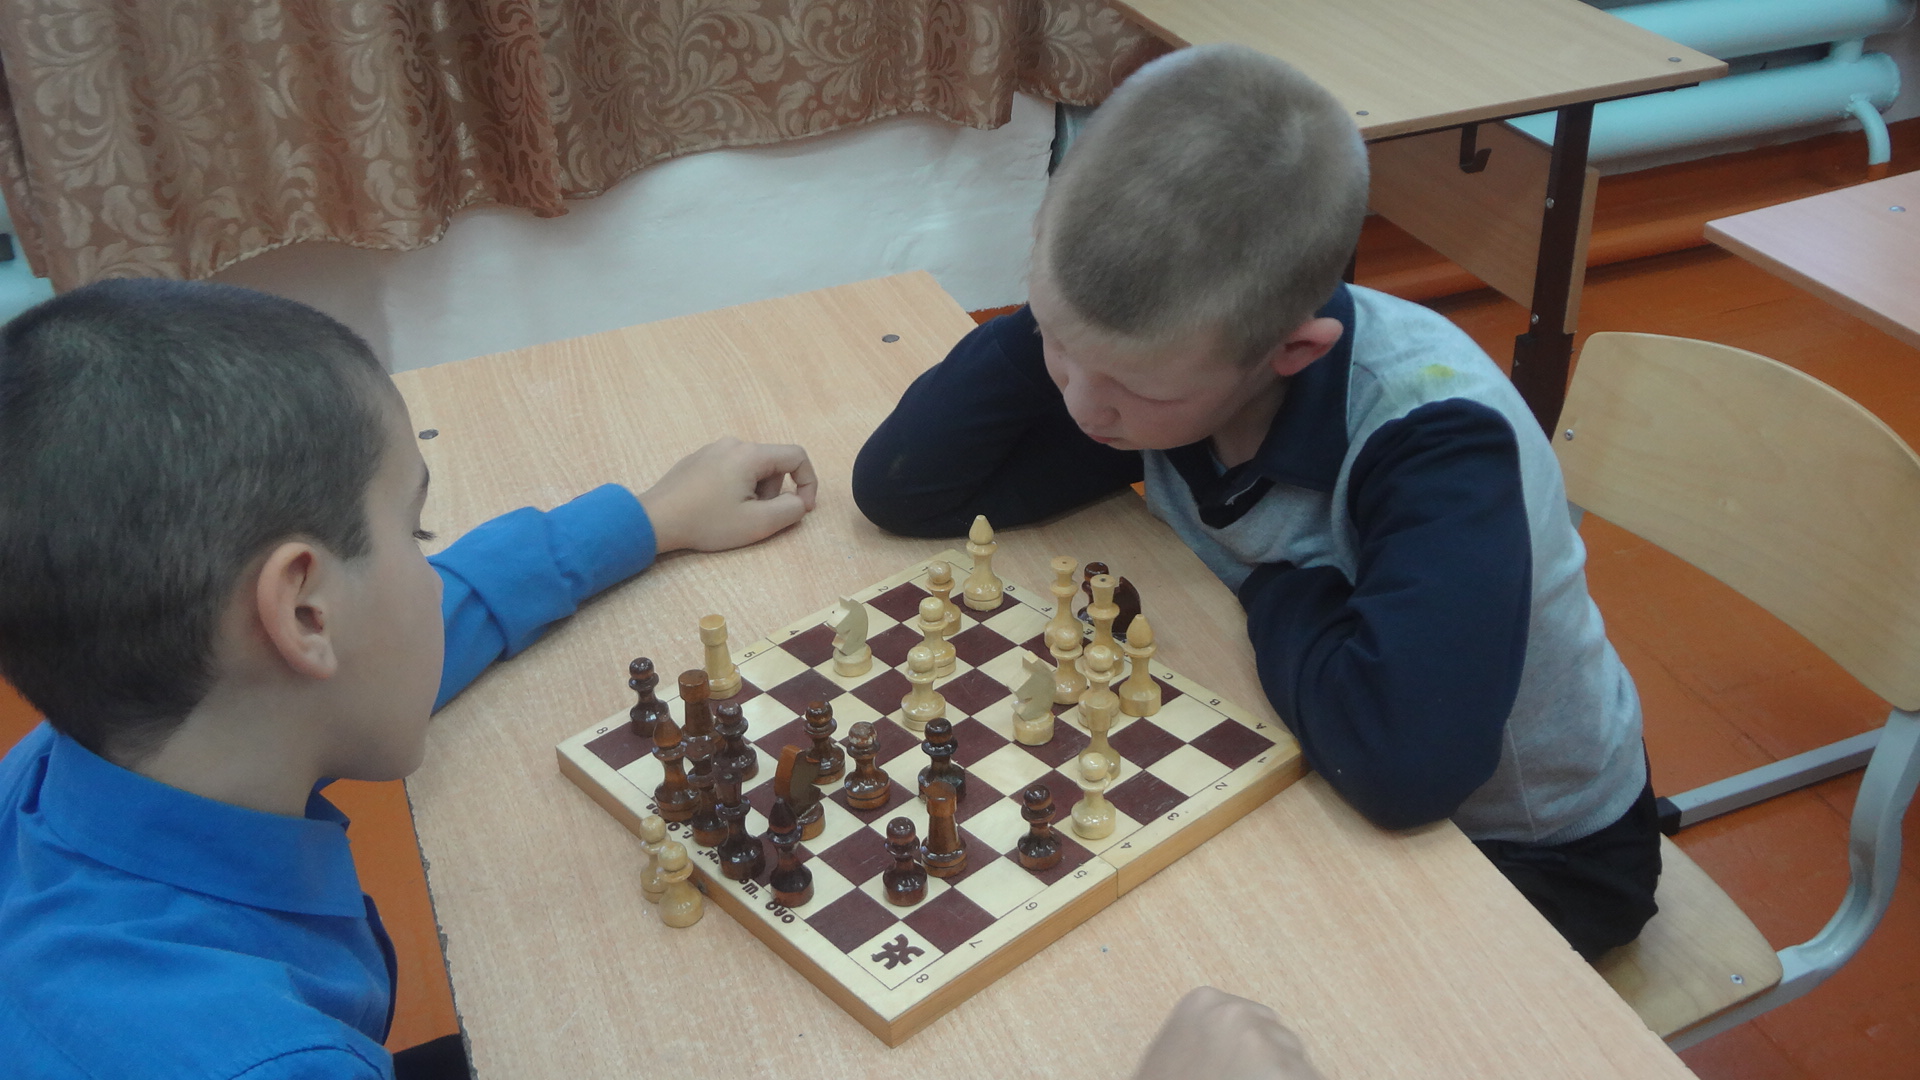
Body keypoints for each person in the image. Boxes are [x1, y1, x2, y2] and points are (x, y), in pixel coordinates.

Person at [851, 44, 1660, 962]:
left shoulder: (1439, 442)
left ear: (1295, 353)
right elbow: (907, 487)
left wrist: (1278, 588)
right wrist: (1063, 317)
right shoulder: (1174, 367)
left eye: (1128, 387)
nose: (1081, 409)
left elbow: (1406, 770)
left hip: (1526, 855)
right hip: (1310, 741)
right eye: (1056, 348)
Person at [0, 278, 816, 1079]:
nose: (430, 577)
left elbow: (392, 642)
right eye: (416, 531)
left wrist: (649, 518)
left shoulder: (95, 747)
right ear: (306, 614)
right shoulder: (276, 1063)